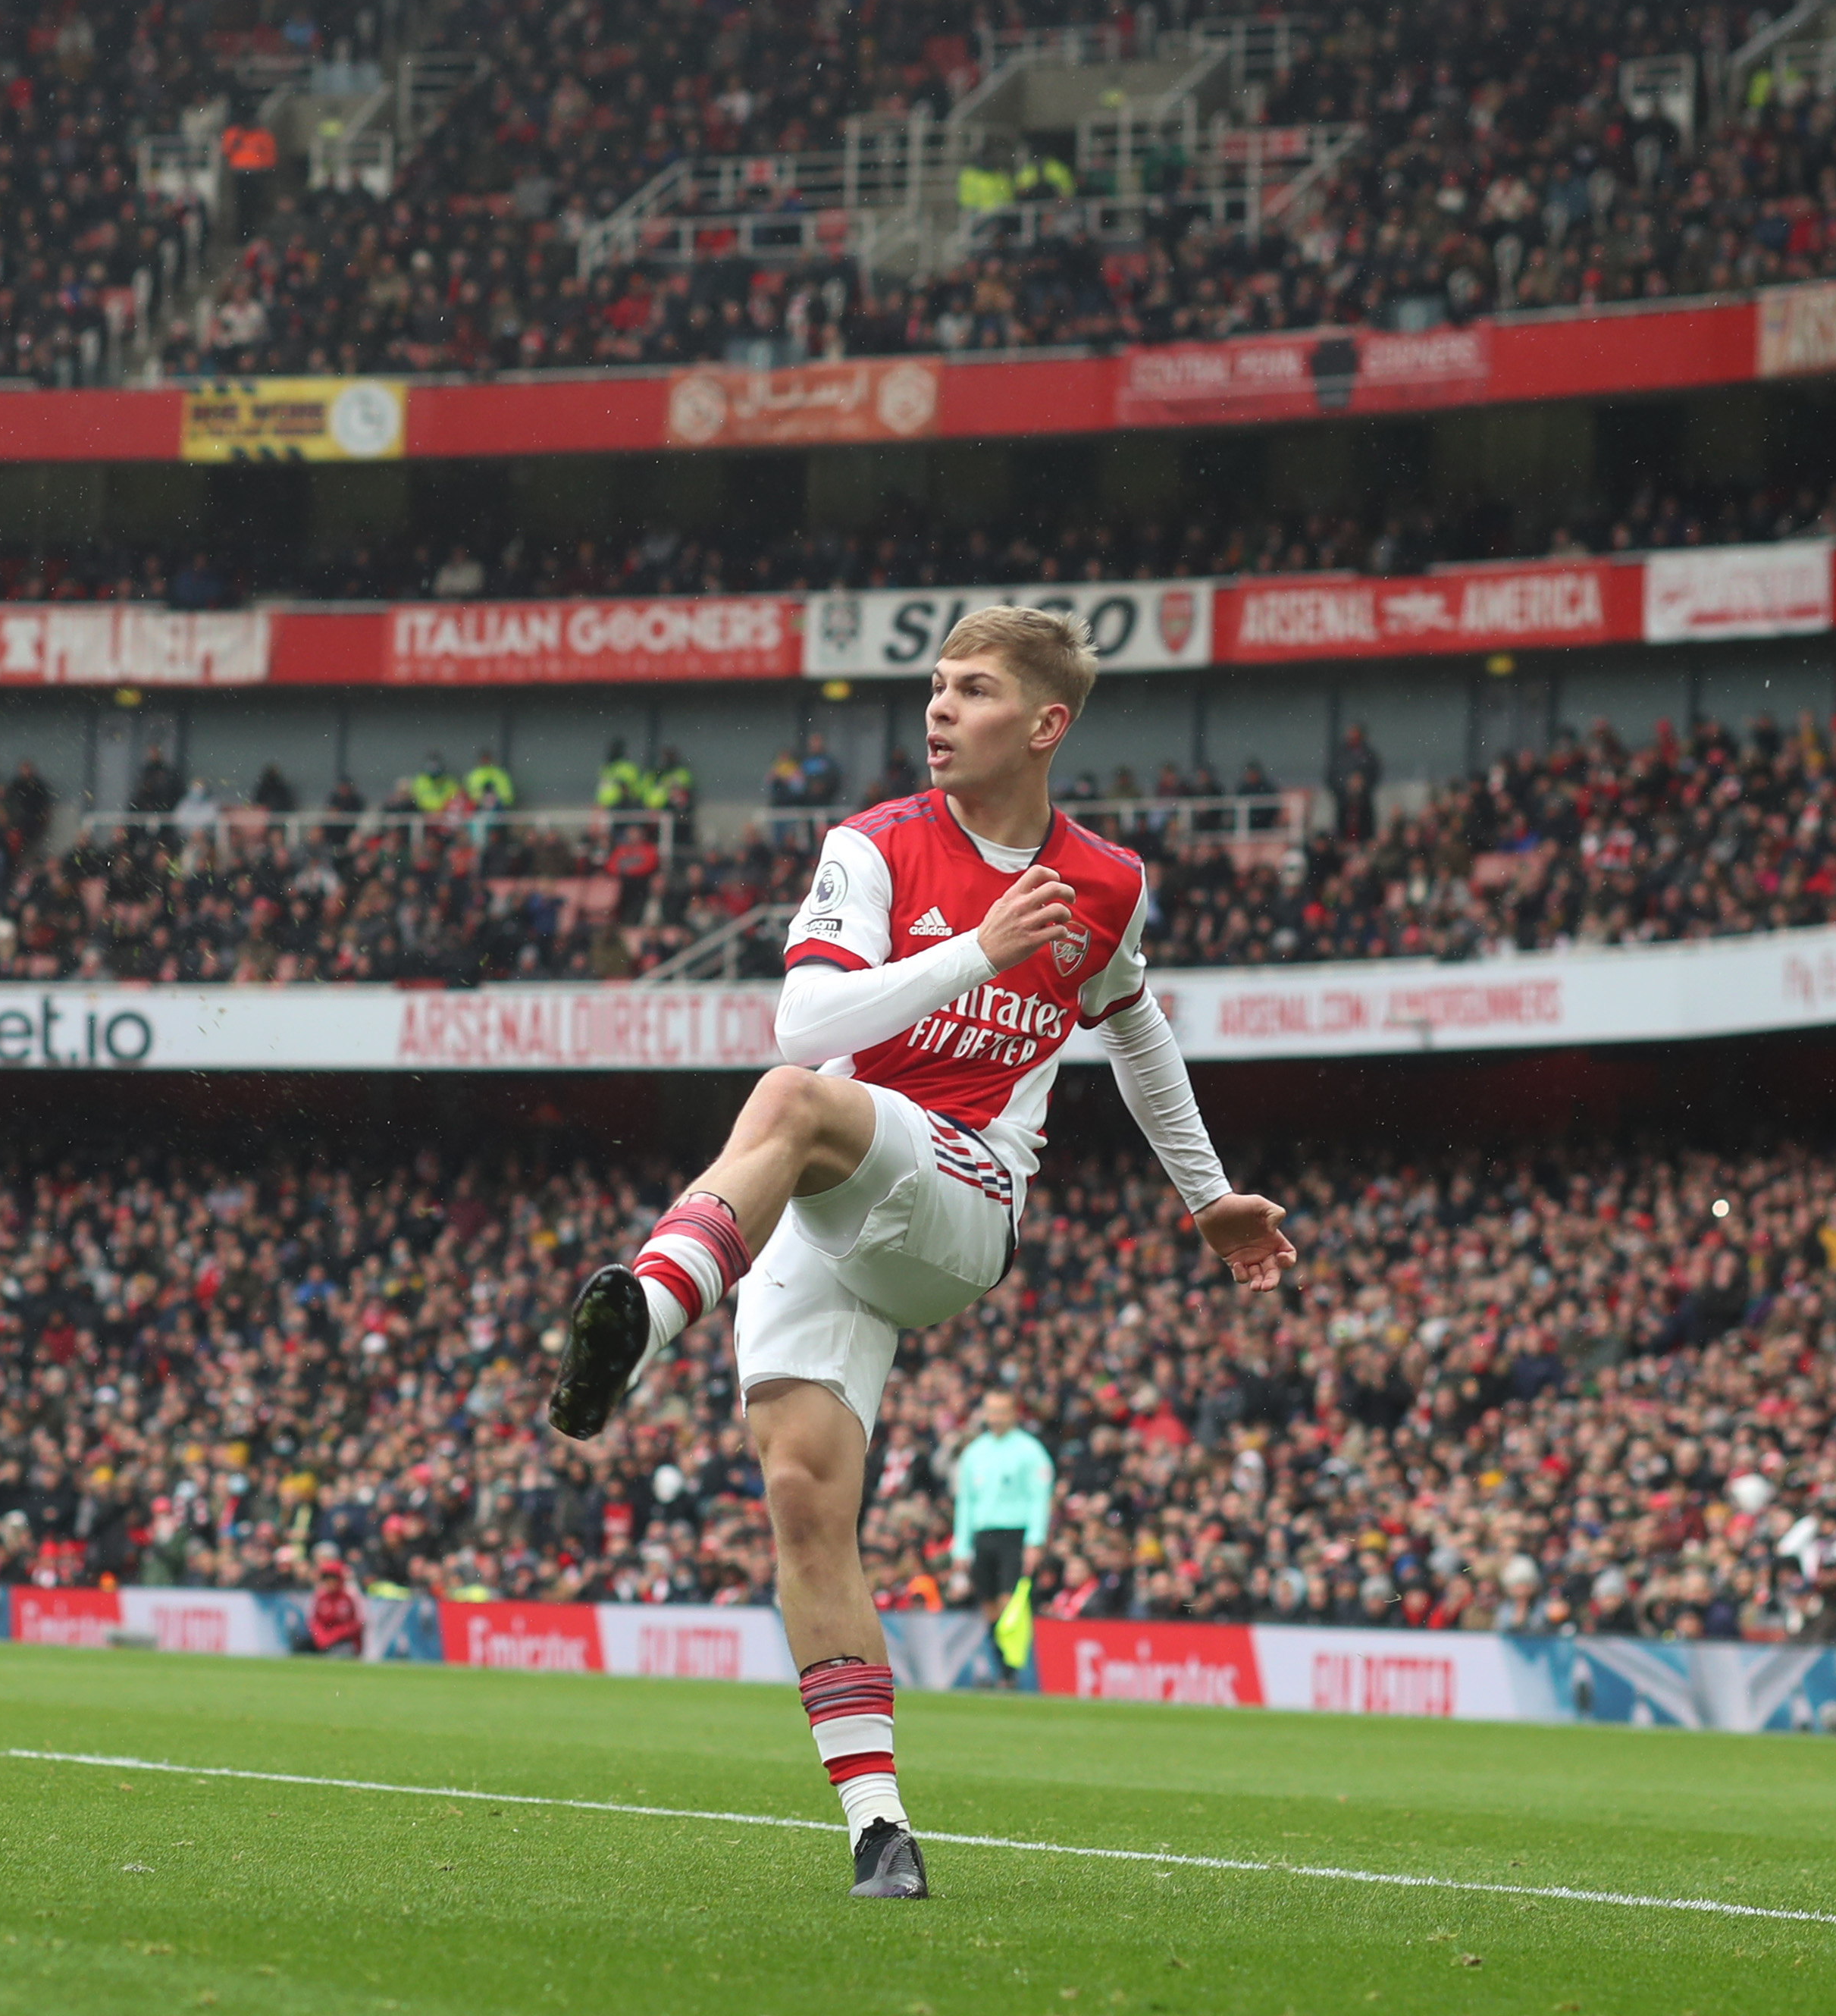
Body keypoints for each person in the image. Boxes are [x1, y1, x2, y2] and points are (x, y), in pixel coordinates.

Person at [542, 604, 1291, 1902]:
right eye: (937, 687)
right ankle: (881, 1831)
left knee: (789, 1099)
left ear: (1046, 725)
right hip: (828, 1199)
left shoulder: (1103, 881)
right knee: (803, 1500)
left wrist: (1208, 1193)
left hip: (961, 1198)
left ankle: (644, 1318)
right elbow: (809, 1007)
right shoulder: (875, 844)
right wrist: (976, 951)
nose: (940, 709)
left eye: (976, 691)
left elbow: (1137, 1027)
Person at [951, 1391, 1053, 1689]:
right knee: (989, 1608)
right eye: (991, 1411)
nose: (995, 1417)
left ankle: (1010, 1673)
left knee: (1010, 1606)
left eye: (1001, 1411)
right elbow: (966, 1502)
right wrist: (961, 1546)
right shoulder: (974, 1453)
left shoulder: (1030, 1451)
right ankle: (1002, 1671)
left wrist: (1035, 1540)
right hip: (984, 1535)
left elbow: (1039, 1499)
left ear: (1014, 1414)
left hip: (1015, 1535)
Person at [1327, 723, 1383, 842]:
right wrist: (1346, 784)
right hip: (1344, 801)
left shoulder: (1369, 755)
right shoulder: (1340, 755)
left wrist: (1362, 783)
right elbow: (1331, 776)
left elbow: (1375, 775)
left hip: (1363, 802)